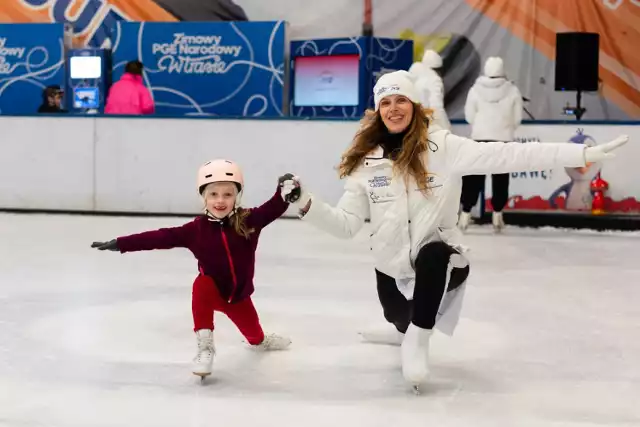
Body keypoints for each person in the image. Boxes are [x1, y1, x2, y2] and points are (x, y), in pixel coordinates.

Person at [279, 70, 628, 391]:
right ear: (377, 110)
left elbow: (510, 156)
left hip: (442, 263)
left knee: (433, 262)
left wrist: (580, 153)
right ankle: (404, 329)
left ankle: (417, 337)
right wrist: (305, 202)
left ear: (415, 105)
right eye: (385, 102)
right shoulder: (367, 162)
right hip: (391, 266)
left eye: (401, 100)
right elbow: (345, 225)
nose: (393, 108)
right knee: (399, 316)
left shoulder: (444, 147)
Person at [91, 159, 295, 380]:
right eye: (213, 194)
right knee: (202, 284)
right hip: (212, 294)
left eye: (227, 194)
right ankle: (205, 349)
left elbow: (273, 207)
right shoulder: (195, 231)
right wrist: (121, 243)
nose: (220, 200)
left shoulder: (248, 220)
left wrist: (284, 191)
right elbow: (158, 237)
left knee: (255, 337)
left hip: (238, 298)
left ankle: (261, 341)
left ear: (237, 197)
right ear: (204, 197)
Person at [459, 56, 524, 231]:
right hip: (503, 140)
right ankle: (497, 216)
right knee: (501, 178)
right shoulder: (513, 90)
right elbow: (517, 119)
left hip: (480, 138)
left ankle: (465, 215)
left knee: (474, 177)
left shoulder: (475, 90)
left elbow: (469, 116)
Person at [408, 49, 451, 131]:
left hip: (413, 122)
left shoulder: (413, 77)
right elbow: (436, 106)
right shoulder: (434, 79)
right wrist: (446, 127)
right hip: (428, 123)